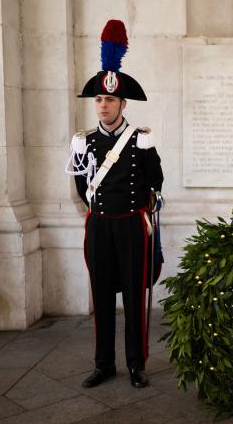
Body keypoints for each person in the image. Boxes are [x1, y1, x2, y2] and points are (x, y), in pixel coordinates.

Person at [66, 20, 163, 389]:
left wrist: (147, 209)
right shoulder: (82, 142)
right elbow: (80, 186)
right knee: (102, 295)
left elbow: (156, 180)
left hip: (132, 226)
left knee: (135, 297)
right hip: (100, 225)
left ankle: (136, 364)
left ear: (123, 103)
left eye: (110, 100)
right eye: (99, 100)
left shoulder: (142, 140)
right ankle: (103, 363)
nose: (103, 106)